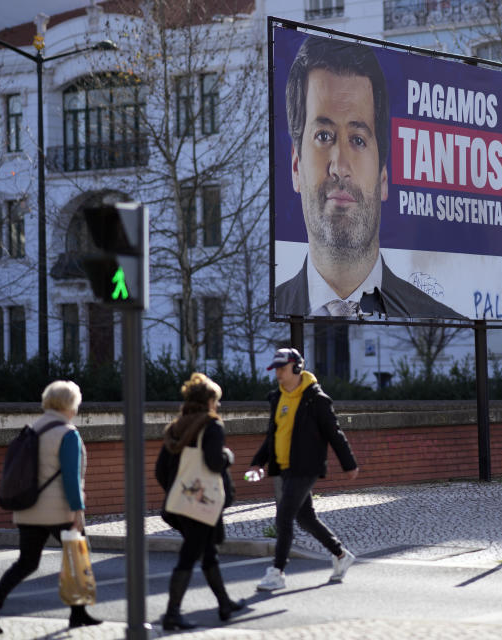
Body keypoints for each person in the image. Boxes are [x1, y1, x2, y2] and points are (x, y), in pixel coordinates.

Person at [275, 34, 463, 320]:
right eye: (323, 136)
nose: (339, 166)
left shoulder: (436, 317)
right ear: (295, 167)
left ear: (383, 175)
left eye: (358, 139)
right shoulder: (275, 305)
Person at [0, 380, 102, 634]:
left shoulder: (32, 429)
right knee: (77, 557)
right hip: (58, 511)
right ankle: (78, 614)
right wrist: (78, 511)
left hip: (28, 508)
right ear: (70, 404)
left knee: (27, 563)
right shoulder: (68, 433)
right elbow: (71, 477)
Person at [246, 348, 360, 590]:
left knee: (284, 516)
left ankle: (277, 571)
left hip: (307, 466)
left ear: (297, 368)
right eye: (275, 369)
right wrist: (258, 462)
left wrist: (348, 464)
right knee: (305, 517)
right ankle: (341, 555)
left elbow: (334, 433)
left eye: (282, 368)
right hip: (285, 467)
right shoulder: (277, 398)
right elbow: (272, 435)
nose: (278, 373)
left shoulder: (316, 399)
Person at [155, 373, 243, 630]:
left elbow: (161, 470)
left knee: (208, 553)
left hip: (180, 505)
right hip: (201, 504)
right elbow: (214, 462)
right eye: (216, 400)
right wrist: (227, 456)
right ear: (209, 401)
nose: (218, 405)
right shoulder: (211, 426)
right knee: (190, 555)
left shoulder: (176, 427)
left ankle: (224, 603)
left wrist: (180, 492)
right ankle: (172, 614)